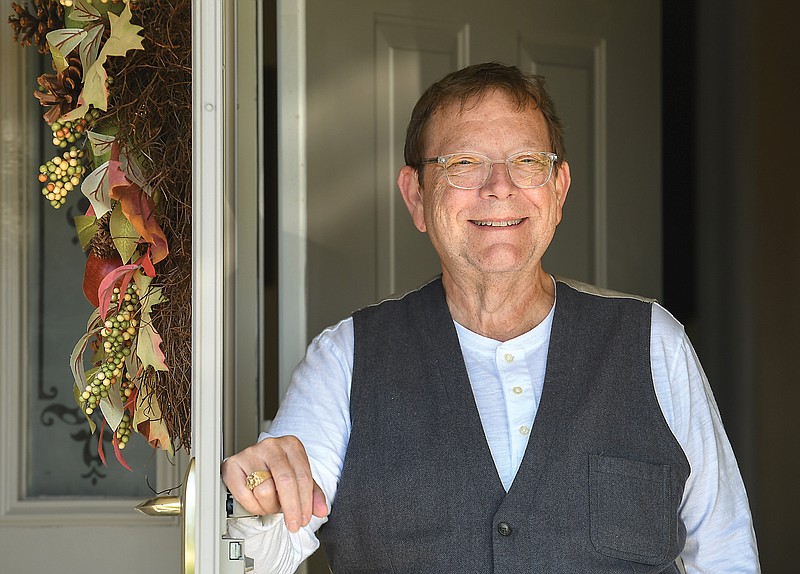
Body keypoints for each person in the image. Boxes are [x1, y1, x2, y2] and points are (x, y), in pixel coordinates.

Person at [222, 62, 760, 573]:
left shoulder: (651, 344)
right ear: (416, 196)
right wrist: (252, 499)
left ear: (559, 189)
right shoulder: (346, 359)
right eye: (465, 164)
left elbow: (724, 553)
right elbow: (260, 556)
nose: (500, 186)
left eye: (527, 162)